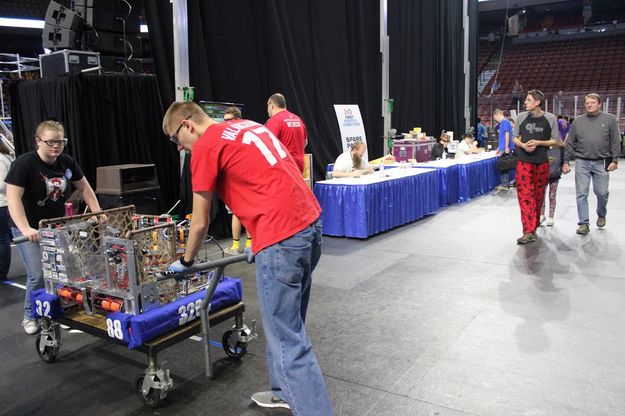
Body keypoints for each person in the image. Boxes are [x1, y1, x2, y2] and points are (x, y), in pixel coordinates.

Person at [162, 101, 333, 415]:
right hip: (310, 226)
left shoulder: (205, 146)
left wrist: (186, 262)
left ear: (187, 125)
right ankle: (284, 391)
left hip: (282, 237)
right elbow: (277, 175)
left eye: (175, 140)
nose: (179, 148)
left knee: (287, 339)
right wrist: (262, 234)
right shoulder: (249, 126)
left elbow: (199, 222)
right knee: (287, 325)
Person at [5, 120, 103, 334]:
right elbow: (13, 198)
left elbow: (85, 188)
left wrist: (97, 212)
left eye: (61, 141)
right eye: (51, 142)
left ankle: (59, 313)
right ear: (38, 141)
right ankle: (30, 315)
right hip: (28, 227)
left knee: (64, 272)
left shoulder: (66, 162)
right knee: (38, 275)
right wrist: (25, 229)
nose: (56, 146)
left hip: (55, 227)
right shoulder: (24, 163)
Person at [562, 93, 620, 234]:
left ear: (599, 104)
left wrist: (615, 160)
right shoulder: (578, 121)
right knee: (581, 194)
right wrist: (566, 161)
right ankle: (583, 223)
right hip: (582, 161)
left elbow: (615, 141)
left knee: (602, 193)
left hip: (602, 162)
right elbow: (570, 143)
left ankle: (601, 213)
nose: (589, 105)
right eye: (587, 103)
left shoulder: (609, 119)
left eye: (592, 102)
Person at [512, 90, 561, 244]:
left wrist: (539, 143)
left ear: (537, 102)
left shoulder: (550, 118)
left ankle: (533, 225)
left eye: (528, 100)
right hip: (524, 162)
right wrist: (524, 145)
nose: (525, 102)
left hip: (542, 163)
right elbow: (514, 138)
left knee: (538, 197)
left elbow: (556, 141)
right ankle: (528, 230)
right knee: (525, 196)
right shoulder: (521, 117)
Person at [221, 106, 252, 255]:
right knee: (237, 212)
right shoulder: (228, 135)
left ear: (237, 119)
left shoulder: (241, 134)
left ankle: (247, 244)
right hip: (234, 179)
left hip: (244, 178)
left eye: (229, 120)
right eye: (224, 121)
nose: (226, 123)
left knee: (244, 212)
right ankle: (237, 245)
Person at [265, 93, 307, 173]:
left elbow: (268, 145)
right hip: (299, 166)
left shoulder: (274, 121)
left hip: (284, 168)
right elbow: (305, 142)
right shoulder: (298, 119)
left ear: (272, 105)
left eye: (267, 105)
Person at [0, 135, 15, 281]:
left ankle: (2, 271)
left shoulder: (1, 159)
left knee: (2, 239)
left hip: (2, 204)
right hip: (4, 204)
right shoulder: (5, 157)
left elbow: (3, 185)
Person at [540, 141, 565, 226]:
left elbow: (563, 161)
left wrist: (560, 171)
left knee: (552, 196)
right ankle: (541, 214)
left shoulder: (560, 149)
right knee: (542, 196)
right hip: (543, 176)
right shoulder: (543, 148)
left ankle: (551, 217)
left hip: (555, 176)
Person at [494, 109, 516, 190]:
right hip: (502, 147)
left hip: (505, 148)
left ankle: (504, 184)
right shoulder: (501, 123)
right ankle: (505, 184)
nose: (496, 120)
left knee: (504, 166)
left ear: (498, 115)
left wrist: (506, 147)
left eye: (495, 118)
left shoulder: (505, 122)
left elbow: (507, 134)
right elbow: (502, 137)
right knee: (504, 166)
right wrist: (498, 148)